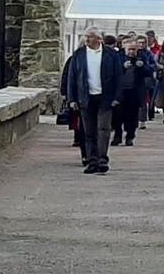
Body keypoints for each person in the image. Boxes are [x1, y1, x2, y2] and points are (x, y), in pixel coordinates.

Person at [60, 28, 123, 175]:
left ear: (99, 39)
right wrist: (72, 99)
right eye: (86, 37)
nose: (87, 39)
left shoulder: (111, 54)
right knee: (89, 131)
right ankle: (91, 160)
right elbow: (72, 78)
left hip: (105, 97)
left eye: (90, 37)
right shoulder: (79, 54)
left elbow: (118, 77)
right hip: (85, 97)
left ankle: (102, 158)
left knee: (103, 128)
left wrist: (116, 97)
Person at [112, 37, 151, 148]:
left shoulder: (141, 57)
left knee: (132, 116)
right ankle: (117, 135)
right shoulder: (118, 57)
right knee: (117, 115)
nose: (132, 52)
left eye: (134, 49)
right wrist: (122, 67)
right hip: (120, 91)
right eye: (130, 49)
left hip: (134, 91)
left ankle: (130, 136)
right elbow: (112, 72)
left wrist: (142, 66)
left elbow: (149, 72)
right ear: (124, 48)